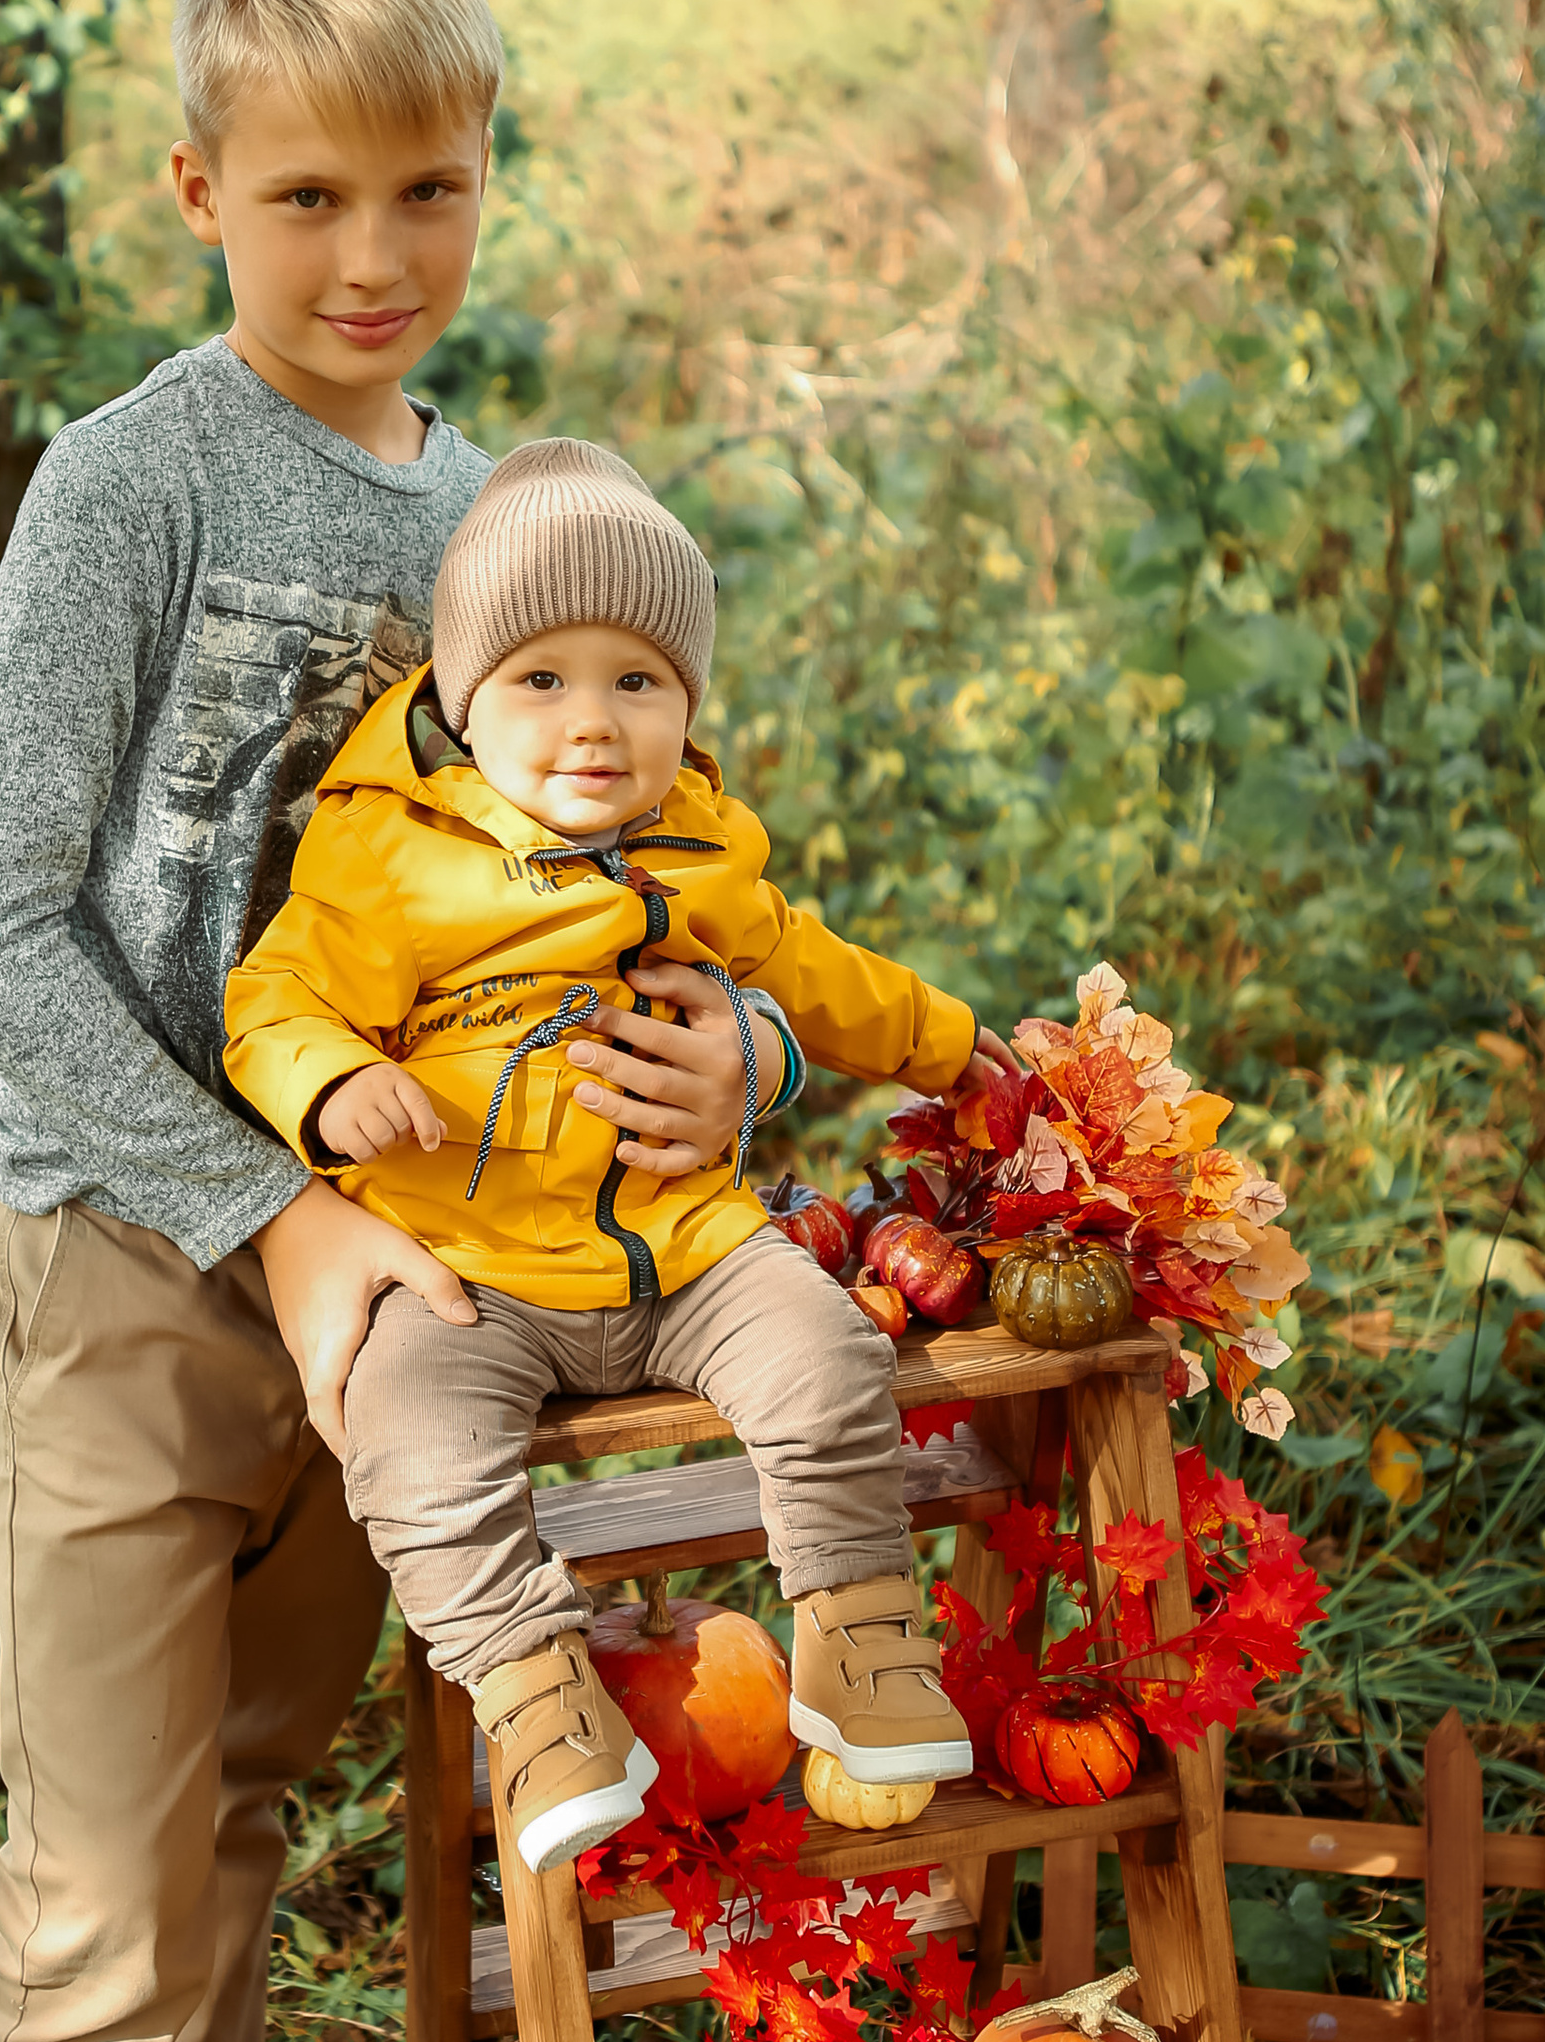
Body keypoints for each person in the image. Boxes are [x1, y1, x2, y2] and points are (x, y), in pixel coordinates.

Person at [0, 0, 778, 2042]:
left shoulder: (488, 517)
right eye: (306, 196)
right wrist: (259, 1205)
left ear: (486, 176)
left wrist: (735, 1042)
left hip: (402, 1298)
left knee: (255, 1803)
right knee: (104, 1874)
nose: (373, 254)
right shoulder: (130, 485)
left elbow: (645, 834)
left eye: (424, 186)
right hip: (135, 1259)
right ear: (198, 190)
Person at [223, 436, 1020, 1878]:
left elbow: (821, 976)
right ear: (466, 707)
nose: (592, 724)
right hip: (472, 1275)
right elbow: (275, 998)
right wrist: (332, 1082)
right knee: (405, 1440)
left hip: (686, 1250)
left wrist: (955, 1047)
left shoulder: (700, 852)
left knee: (827, 1357)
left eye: (636, 681)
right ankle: (532, 1692)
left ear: (688, 702)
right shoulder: (393, 855)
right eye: (541, 679)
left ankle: (861, 1640)